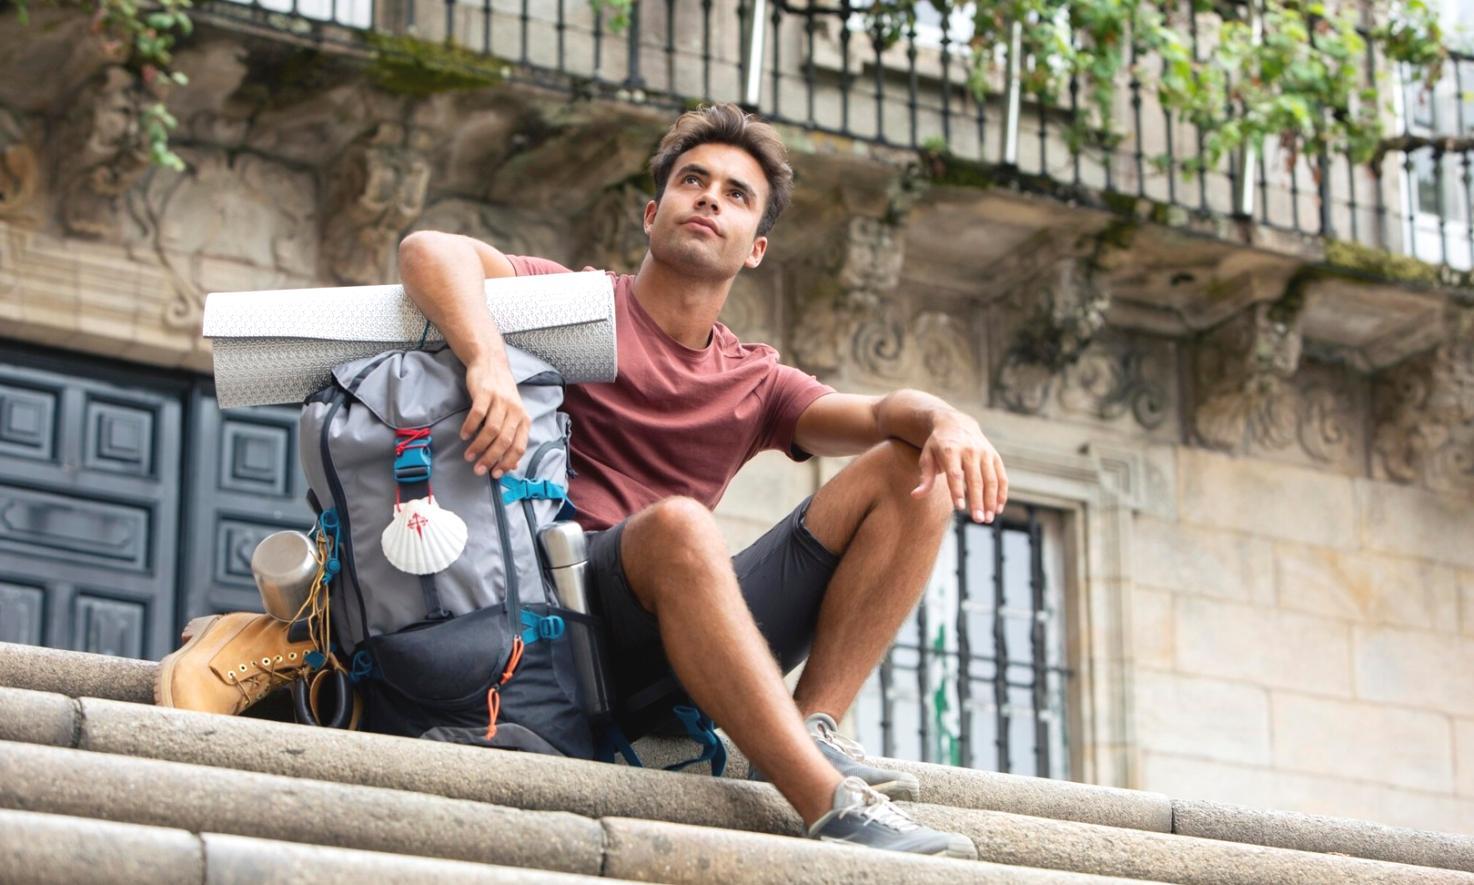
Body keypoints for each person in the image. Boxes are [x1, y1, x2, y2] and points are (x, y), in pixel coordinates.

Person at [159, 102, 1007, 859]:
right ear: (653, 212)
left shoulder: (757, 380)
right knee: (678, 525)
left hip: (690, 623)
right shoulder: (578, 305)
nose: (709, 197)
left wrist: (947, 419)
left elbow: (881, 414)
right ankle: (830, 805)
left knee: (910, 468)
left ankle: (810, 730)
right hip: (567, 615)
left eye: (735, 194)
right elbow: (431, 249)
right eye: (692, 180)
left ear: (755, 249)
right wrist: (488, 357)